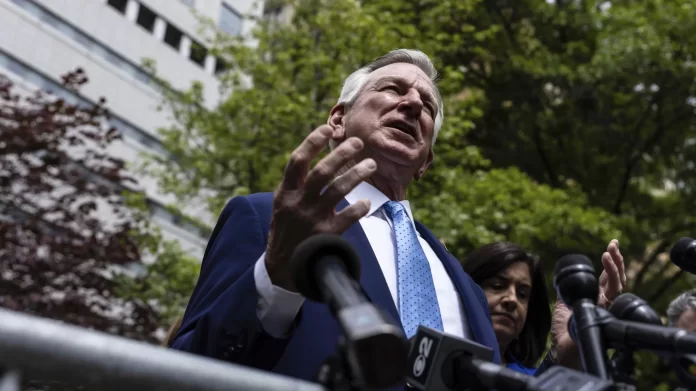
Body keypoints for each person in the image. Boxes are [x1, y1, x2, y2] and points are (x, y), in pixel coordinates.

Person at [169, 49, 500, 389]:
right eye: (392, 89)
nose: (413, 104)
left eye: (427, 106)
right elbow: (186, 368)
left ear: (426, 160)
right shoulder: (265, 219)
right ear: (338, 120)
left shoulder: (468, 288)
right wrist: (275, 280)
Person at [463, 240, 626, 375]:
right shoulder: (438, 349)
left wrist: (565, 353)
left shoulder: (532, 379)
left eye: (522, 294)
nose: (512, 299)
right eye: (497, 285)